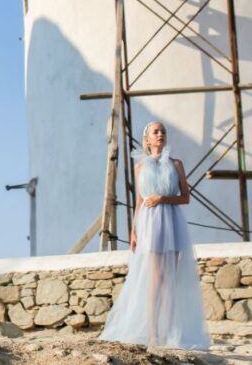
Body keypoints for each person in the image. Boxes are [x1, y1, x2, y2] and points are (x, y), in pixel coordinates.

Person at [99, 121, 210, 350]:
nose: (160, 135)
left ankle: (169, 331)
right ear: (147, 139)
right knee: (156, 278)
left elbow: (185, 198)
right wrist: (133, 231)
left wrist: (162, 198)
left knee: (171, 279)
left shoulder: (176, 164)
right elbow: (139, 202)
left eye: (163, 132)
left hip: (172, 221)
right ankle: (152, 334)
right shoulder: (140, 167)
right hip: (149, 223)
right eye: (155, 132)